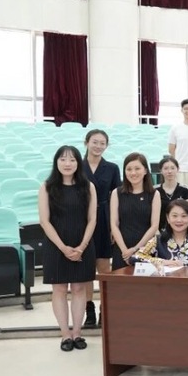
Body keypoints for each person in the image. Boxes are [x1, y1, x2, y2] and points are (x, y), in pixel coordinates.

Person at [39, 145, 97, 352]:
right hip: (56, 245)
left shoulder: (88, 187)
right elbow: (44, 221)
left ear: (78, 163)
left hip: (83, 244)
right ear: (56, 162)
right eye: (63, 159)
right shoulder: (47, 187)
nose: (67, 163)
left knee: (80, 288)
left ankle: (77, 333)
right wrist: (63, 248)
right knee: (59, 289)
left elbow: (92, 219)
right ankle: (65, 335)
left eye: (72, 160)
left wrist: (81, 247)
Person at [81, 129, 120, 328]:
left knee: (104, 268)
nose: (98, 146)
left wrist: (114, 226)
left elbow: (116, 198)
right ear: (86, 142)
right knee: (86, 269)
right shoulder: (77, 166)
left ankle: (105, 309)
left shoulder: (112, 168)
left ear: (107, 145)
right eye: (94, 142)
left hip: (104, 218)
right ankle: (88, 310)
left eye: (102, 143)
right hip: (82, 219)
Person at [110, 153, 161, 271]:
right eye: (129, 169)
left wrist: (136, 249)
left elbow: (154, 226)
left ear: (145, 171)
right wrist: (124, 251)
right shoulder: (117, 193)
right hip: (122, 248)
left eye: (137, 168)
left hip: (146, 247)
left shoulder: (154, 194)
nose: (133, 173)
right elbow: (114, 224)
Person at [134, 200, 188, 267]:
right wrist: (163, 262)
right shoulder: (158, 240)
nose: (179, 220)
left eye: (184, 216)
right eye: (174, 216)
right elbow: (135, 257)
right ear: (168, 218)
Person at [155, 156, 188, 230]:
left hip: (180, 230)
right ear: (160, 170)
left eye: (172, 168)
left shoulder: (185, 190)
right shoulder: (155, 190)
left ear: (178, 169)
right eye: (166, 168)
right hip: (159, 231)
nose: (169, 171)